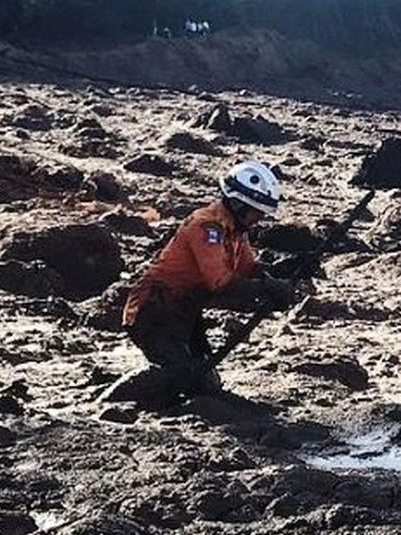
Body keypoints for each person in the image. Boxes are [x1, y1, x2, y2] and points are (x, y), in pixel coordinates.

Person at [102, 160, 292, 409]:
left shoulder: (235, 232)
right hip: (154, 310)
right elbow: (220, 282)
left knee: (205, 380)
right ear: (238, 204)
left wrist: (287, 271)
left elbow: (248, 270)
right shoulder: (205, 227)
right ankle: (116, 403)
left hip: (185, 313)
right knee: (181, 373)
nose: (259, 219)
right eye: (256, 212)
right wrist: (266, 289)